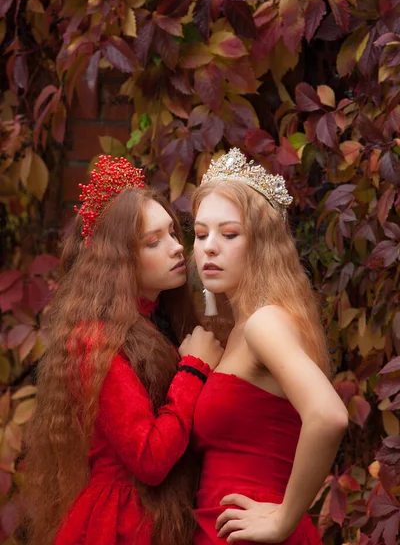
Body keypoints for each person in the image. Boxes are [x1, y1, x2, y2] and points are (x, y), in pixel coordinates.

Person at [21, 155, 223, 545]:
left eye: (172, 233)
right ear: (119, 260)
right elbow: (148, 456)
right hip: (123, 525)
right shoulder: (95, 339)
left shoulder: (157, 322)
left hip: (158, 516)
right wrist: (194, 369)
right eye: (153, 242)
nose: (176, 248)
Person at [191, 148, 349, 544]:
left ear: (261, 244)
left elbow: (328, 415)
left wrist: (283, 519)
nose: (209, 246)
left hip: (248, 531)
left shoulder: (265, 323)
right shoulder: (242, 326)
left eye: (229, 234)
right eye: (199, 234)